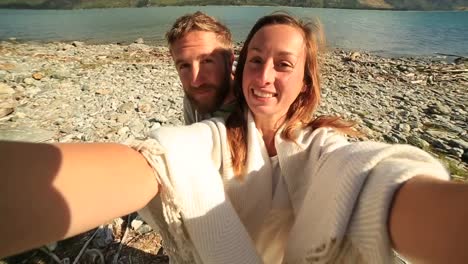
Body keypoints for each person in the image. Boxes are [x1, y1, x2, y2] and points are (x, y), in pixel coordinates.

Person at [1, 13, 468, 264]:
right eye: (183, 66)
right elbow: (167, 156)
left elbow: (369, 176)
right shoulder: (205, 125)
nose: (195, 76)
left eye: (283, 64)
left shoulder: (319, 145)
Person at [167, 11, 237, 124]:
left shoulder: (257, 101)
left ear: (229, 61)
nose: (195, 82)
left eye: (207, 61)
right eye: (184, 66)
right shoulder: (195, 98)